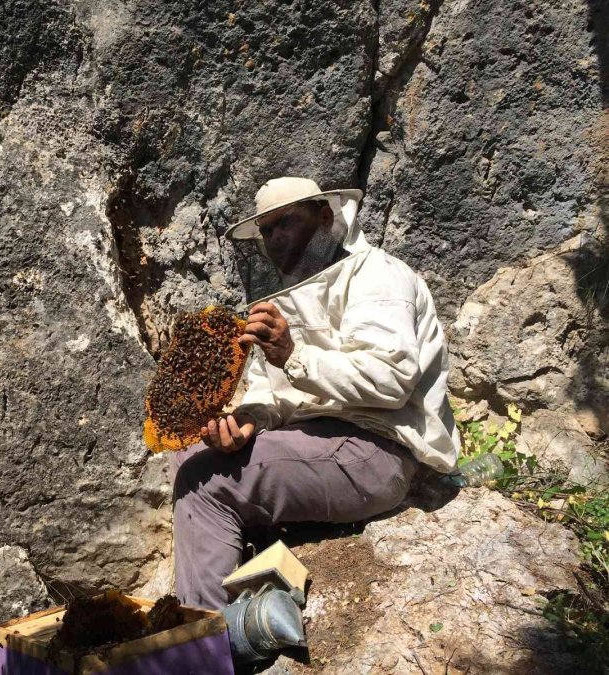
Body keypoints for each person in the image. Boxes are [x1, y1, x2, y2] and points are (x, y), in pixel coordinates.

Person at [172, 177, 460, 610]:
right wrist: (249, 421)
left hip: (379, 447)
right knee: (187, 455)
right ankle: (240, 599)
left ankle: (204, 634)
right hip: (317, 444)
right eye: (267, 230)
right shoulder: (286, 298)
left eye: (286, 222)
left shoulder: (377, 276)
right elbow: (270, 390)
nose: (275, 238)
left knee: (202, 481)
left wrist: (293, 355)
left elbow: (390, 381)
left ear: (325, 217)